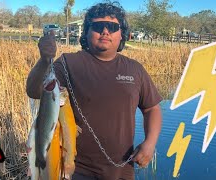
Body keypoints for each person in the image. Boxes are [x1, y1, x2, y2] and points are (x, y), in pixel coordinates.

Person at [26, 1, 162, 180]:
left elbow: (151, 109)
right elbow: (34, 91)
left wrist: (150, 143)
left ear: (122, 34)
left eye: (112, 27)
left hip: (121, 169)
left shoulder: (135, 70)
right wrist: (44, 60)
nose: (105, 31)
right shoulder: (68, 63)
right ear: (87, 32)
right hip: (75, 169)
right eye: (98, 26)